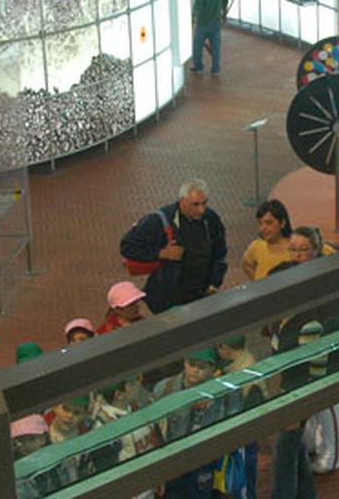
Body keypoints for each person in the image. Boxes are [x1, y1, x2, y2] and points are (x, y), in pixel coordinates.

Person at [120, 179, 228, 314]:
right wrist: (161, 253)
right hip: (168, 300)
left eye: (204, 203)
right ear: (182, 201)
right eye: (195, 204)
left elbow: (220, 252)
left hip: (200, 295)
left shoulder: (211, 219)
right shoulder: (159, 220)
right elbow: (127, 246)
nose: (201, 210)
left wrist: (214, 283)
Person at [153, 348, 241, 498]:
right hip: (174, 465)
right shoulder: (165, 389)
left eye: (201, 366)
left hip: (207, 463)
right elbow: (154, 429)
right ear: (184, 363)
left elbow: (234, 426)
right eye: (191, 364)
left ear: (212, 368)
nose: (195, 370)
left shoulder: (224, 393)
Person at [218, 336, 267, 499]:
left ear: (225, 348)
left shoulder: (242, 374)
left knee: (243, 477)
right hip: (248, 434)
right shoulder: (246, 360)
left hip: (244, 436)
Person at [242, 199, 293, 281]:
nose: (263, 228)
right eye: (260, 223)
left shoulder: (296, 247)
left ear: (283, 223)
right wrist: (257, 283)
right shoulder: (257, 246)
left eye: (269, 223)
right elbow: (247, 264)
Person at [191, 0, 228, 75]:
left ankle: (198, 67)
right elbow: (225, 1)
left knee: (197, 47)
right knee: (215, 47)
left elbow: (198, 8)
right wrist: (224, 16)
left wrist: (194, 20)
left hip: (203, 23)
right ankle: (216, 69)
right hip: (216, 23)